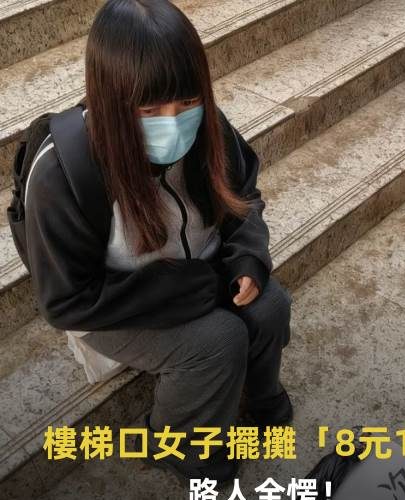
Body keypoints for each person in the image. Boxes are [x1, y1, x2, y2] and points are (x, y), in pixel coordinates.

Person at [24, 0, 293, 487]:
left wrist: (247, 258)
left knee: (271, 304)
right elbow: (67, 301)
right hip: (114, 306)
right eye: (149, 110)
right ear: (109, 99)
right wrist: (190, 288)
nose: (173, 122)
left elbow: (244, 197)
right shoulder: (62, 173)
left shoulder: (208, 125)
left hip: (201, 275)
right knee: (217, 341)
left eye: (187, 102)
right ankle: (180, 448)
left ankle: (260, 399)